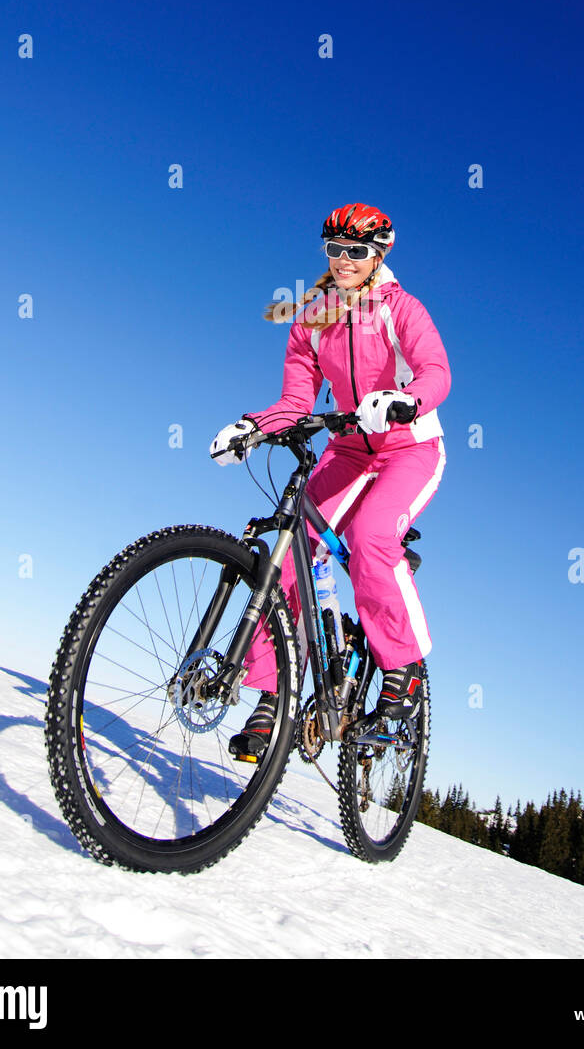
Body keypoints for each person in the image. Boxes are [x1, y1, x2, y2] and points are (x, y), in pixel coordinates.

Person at [209, 202, 450, 760]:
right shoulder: (312, 317)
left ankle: (404, 669)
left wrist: (403, 401)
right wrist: (251, 426)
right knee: (290, 555)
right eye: (334, 250)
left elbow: (437, 371)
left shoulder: (401, 309)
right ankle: (274, 695)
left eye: (356, 252)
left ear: (379, 255)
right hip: (346, 450)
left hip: (409, 449)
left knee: (370, 538)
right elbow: (296, 400)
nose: (344, 261)